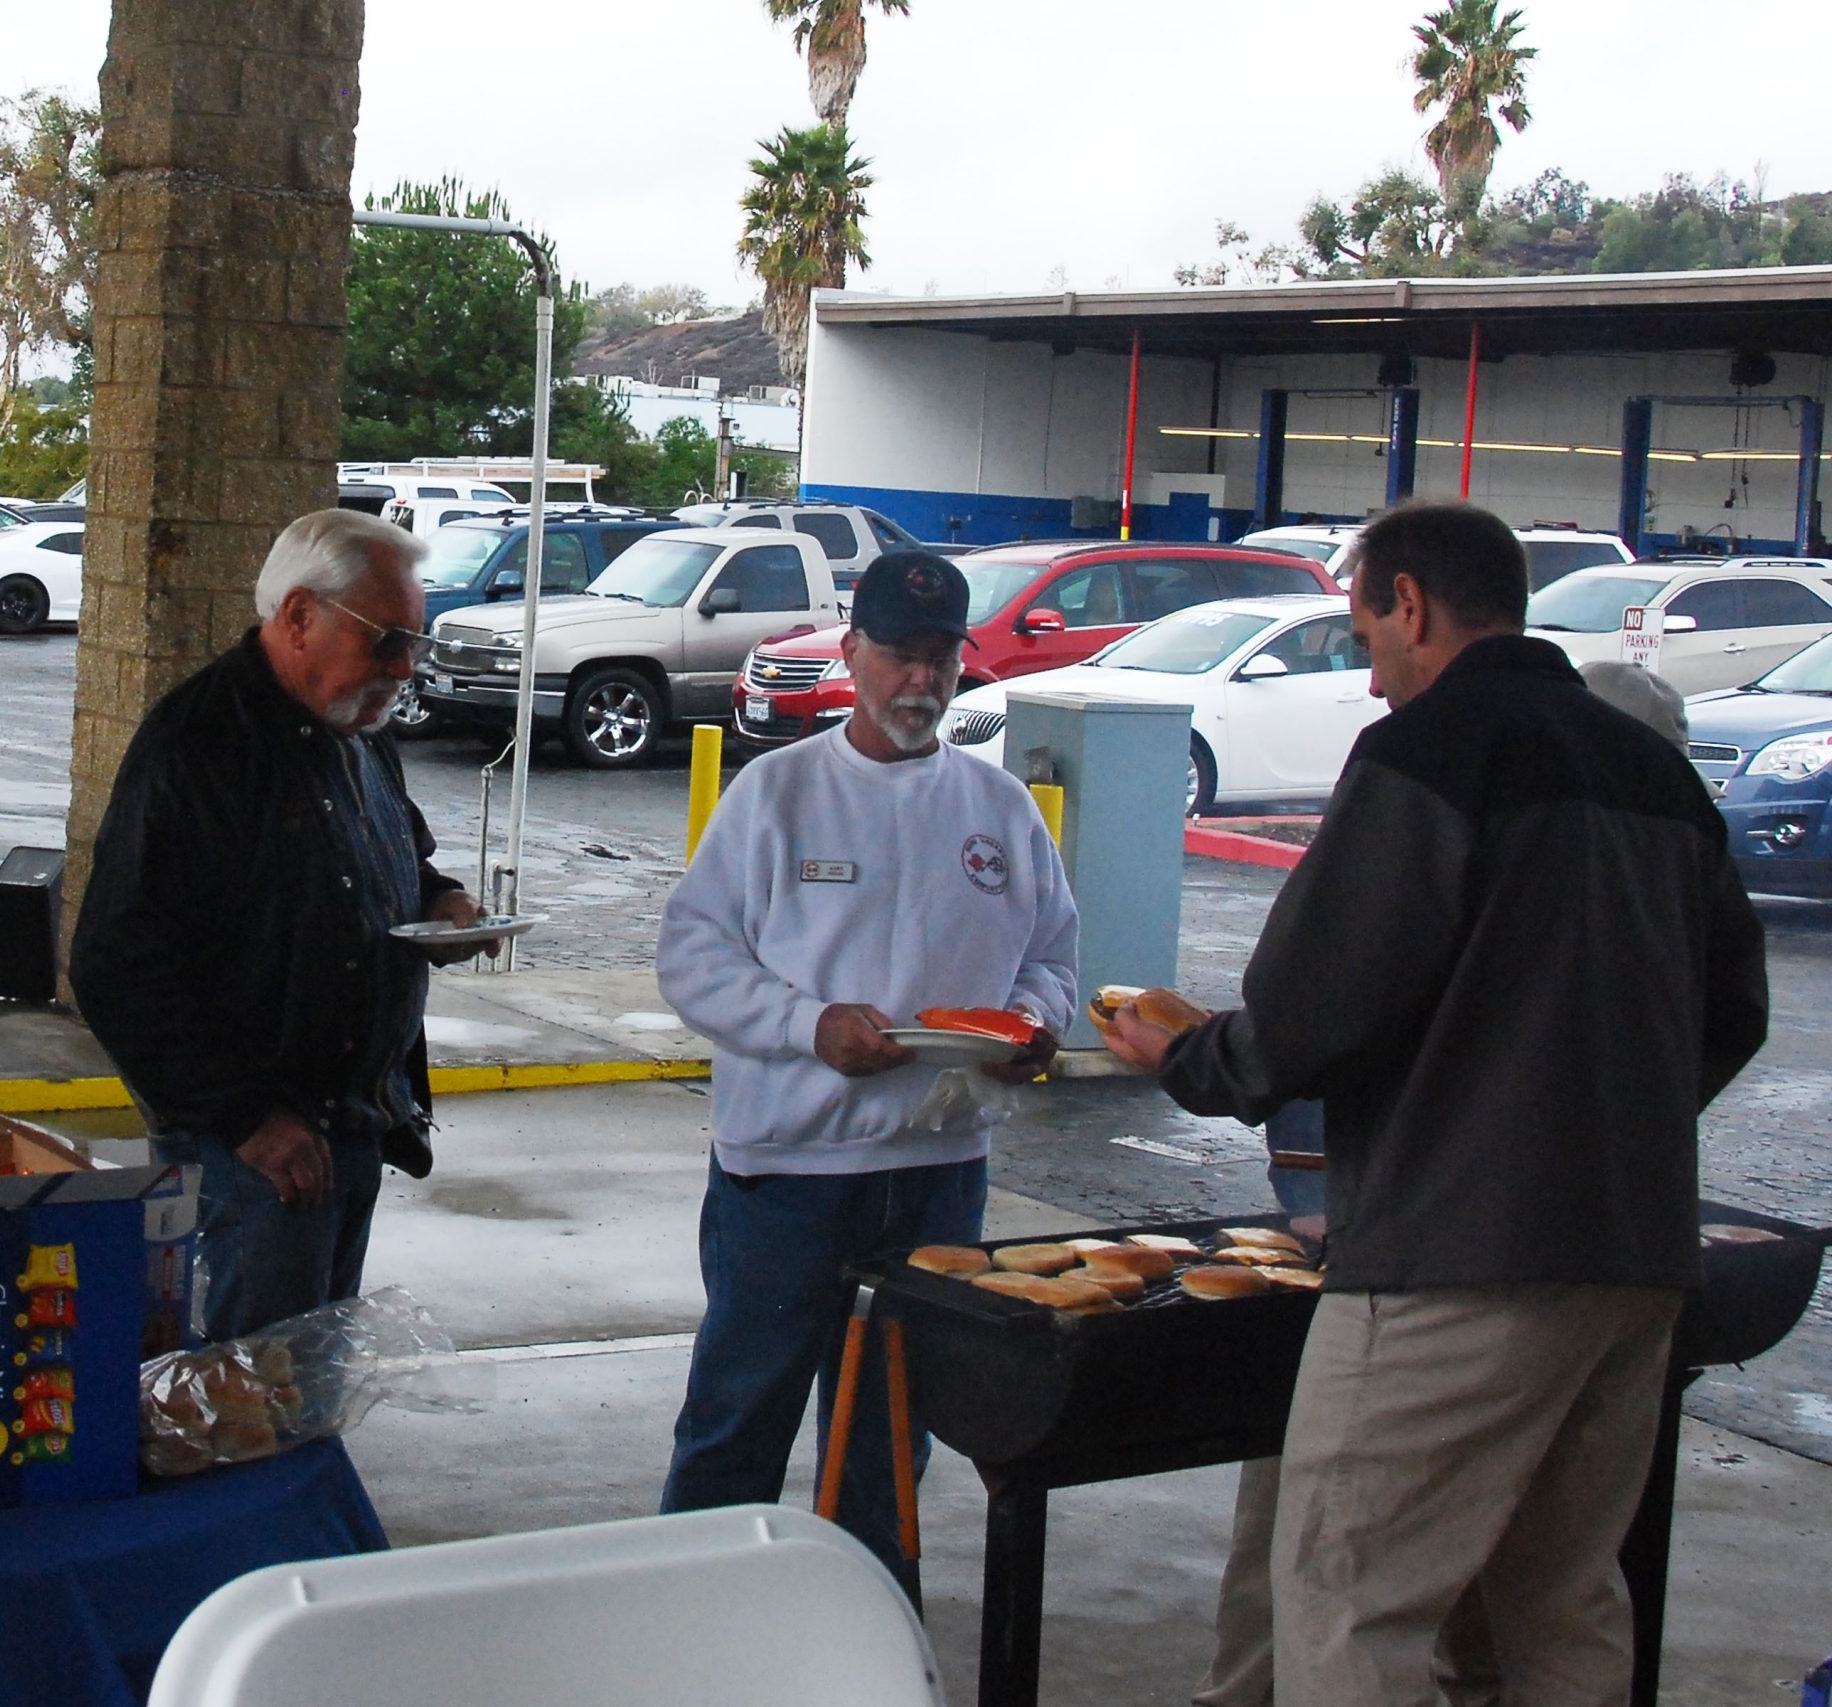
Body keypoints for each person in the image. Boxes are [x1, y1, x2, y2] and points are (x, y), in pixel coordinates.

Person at [1106, 502, 1768, 1706]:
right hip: (1633, 1261)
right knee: (1559, 1605)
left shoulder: (1429, 749)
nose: (1368, 675)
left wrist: (1194, 1058)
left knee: (1346, 1594)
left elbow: (1316, 998)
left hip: (1454, 1263)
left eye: (1364, 632)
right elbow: (1736, 1013)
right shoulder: (1651, 772)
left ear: (1408, 604)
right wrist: (1608, 1122)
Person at [655, 549, 1080, 1597]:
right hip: (787, 1171)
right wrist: (807, 1027)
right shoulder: (778, 796)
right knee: (738, 1418)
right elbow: (694, 956)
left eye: (940, 660)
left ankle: (861, 1626)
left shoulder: (997, 809)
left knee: (892, 1434)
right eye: (897, 657)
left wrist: (1028, 1022)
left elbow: (1053, 955)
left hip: (939, 1168)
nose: (919, 683)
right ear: (851, 653)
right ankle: (694, 1629)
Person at [71, 508, 485, 1343]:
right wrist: (249, 1120)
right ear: (300, 616)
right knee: (241, 1409)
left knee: (306, 1393)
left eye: (416, 644)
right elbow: (115, 960)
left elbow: (402, 852)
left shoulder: (358, 727)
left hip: (350, 1126)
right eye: (387, 640)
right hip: (253, 1153)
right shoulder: (201, 742)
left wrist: (443, 903)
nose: (404, 668)